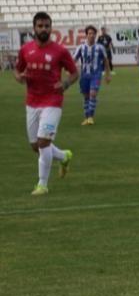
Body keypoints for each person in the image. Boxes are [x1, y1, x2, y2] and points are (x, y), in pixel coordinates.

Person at [13, 11, 78, 195]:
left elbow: (74, 73)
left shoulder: (60, 51)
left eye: (47, 26)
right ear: (34, 28)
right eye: (40, 26)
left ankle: (42, 184)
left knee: (43, 143)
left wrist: (64, 84)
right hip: (32, 102)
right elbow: (17, 70)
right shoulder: (26, 49)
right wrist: (20, 77)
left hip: (52, 101)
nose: (44, 29)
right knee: (37, 146)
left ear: (51, 28)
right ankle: (64, 156)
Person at [73, 25, 110, 125]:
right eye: (89, 33)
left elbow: (106, 61)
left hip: (96, 75)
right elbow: (73, 60)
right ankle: (86, 118)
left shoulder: (100, 47)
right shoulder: (81, 48)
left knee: (93, 94)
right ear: (86, 35)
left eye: (93, 33)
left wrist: (108, 74)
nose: (92, 35)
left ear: (95, 35)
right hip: (84, 76)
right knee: (86, 97)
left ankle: (90, 117)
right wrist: (70, 70)